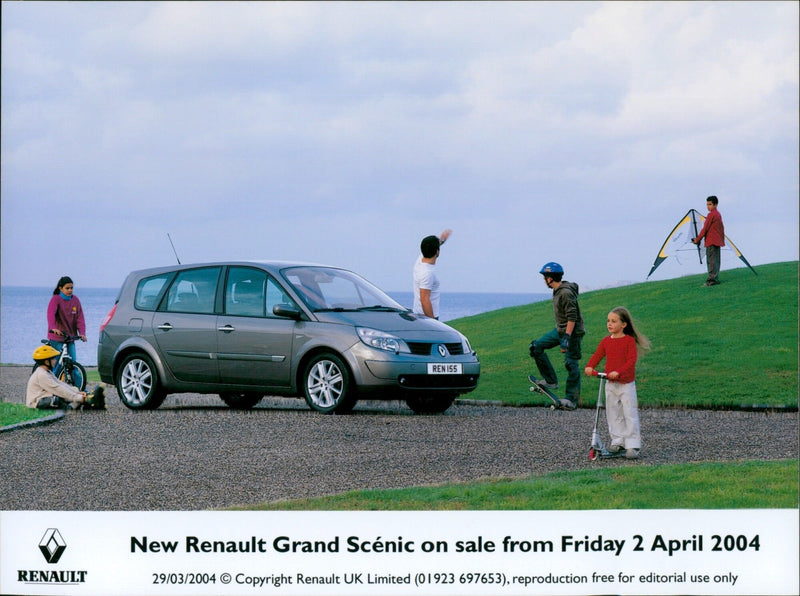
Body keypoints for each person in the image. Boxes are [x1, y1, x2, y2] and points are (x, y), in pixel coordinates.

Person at [584, 307, 650, 460]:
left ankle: (632, 444)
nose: (609, 324)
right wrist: (590, 366)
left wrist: (619, 372)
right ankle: (618, 441)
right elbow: (598, 355)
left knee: (629, 412)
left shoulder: (628, 341)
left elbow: (631, 360)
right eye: (608, 321)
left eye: (614, 321)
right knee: (612, 412)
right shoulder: (606, 341)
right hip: (610, 383)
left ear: (624, 324)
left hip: (625, 384)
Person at [529, 262, 585, 407]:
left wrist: (566, 338)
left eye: (545, 277)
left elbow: (572, 317)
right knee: (536, 347)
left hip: (572, 333)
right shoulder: (558, 291)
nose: (544, 280)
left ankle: (572, 399)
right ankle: (551, 381)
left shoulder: (565, 293)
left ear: (551, 278)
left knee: (571, 363)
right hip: (560, 330)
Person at [26, 345, 105, 409]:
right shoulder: (41, 375)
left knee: (69, 393)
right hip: (37, 402)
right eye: (53, 359)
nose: (55, 361)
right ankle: (85, 401)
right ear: (47, 362)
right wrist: (78, 397)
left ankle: (87, 401)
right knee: (59, 398)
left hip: (45, 396)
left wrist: (76, 392)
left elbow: (60, 384)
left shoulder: (47, 372)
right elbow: (57, 388)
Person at [412, 229, 452, 319]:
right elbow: (424, 299)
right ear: (437, 251)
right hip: (426, 317)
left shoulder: (420, 260)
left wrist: (442, 240)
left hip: (420, 315)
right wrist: (433, 322)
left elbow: (430, 246)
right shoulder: (427, 273)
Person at [47, 276, 87, 361]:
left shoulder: (75, 300)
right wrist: (53, 327)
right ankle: (52, 374)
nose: (70, 290)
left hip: (70, 338)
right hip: (57, 337)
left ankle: (77, 375)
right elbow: (51, 314)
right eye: (67, 288)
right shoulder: (56, 299)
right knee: (57, 364)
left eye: (71, 288)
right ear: (61, 288)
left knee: (73, 364)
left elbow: (80, 318)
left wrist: (82, 333)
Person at [691, 195, 725, 286]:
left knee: (711, 261)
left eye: (710, 204)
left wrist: (697, 240)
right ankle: (715, 278)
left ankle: (711, 280)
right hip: (717, 241)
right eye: (707, 204)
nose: (708, 206)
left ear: (715, 205)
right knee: (716, 261)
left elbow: (704, 229)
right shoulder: (718, 214)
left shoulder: (711, 215)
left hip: (711, 242)